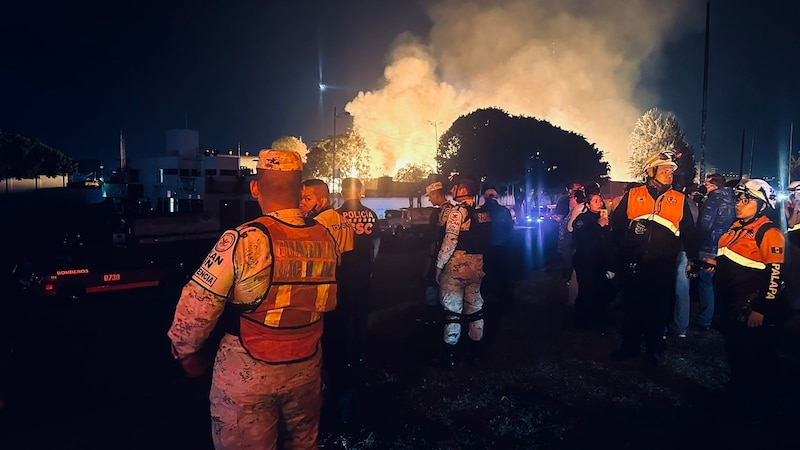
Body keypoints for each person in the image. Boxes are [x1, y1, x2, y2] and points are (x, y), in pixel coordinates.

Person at [167, 148, 339, 449]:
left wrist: (186, 350)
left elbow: (198, 303)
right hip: (306, 369)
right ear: (301, 191)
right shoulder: (326, 238)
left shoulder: (246, 239)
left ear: (255, 187)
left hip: (248, 373)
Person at [610, 151, 697, 366]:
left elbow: (689, 232)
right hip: (634, 263)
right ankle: (629, 346)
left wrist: (693, 258)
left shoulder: (679, 199)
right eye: (665, 170)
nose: (669, 174)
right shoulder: (633, 195)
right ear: (651, 172)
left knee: (658, 309)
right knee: (632, 307)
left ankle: (654, 350)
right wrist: (619, 251)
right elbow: (617, 227)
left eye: (671, 171)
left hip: (663, 265)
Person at [713, 179, 786, 421]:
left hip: (751, 311)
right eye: (738, 199)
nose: (739, 204)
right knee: (736, 356)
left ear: (762, 206)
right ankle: (737, 400)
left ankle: (763, 408)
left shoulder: (768, 232)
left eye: (747, 200)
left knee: (758, 359)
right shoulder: (735, 229)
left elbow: (775, 275)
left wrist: (762, 309)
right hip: (731, 308)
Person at [299, 178, 356, 426]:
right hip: (343, 293)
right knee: (339, 352)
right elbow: (349, 259)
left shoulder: (316, 225)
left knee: (321, 353)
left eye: (307, 198)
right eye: (300, 198)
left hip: (323, 299)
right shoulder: (341, 221)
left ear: (321, 201)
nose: (301, 204)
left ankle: (323, 409)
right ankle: (344, 407)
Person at [435, 175, 492, 369]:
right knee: (475, 310)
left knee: (453, 311)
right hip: (477, 266)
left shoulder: (457, 213)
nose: (453, 189)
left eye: (456, 186)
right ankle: (476, 354)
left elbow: (449, 242)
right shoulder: (483, 213)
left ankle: (450, 356)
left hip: (456, 267)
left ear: (462, 190)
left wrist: (438, 266)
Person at [336, 177, 380, 367]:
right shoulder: (370, 214)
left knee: (342, 315)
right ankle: (360, 354)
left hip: (342, 271)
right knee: (361, 314)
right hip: (363, 268)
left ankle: (342, 355)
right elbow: (376, 242)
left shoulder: (335, 216)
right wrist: (372, 263)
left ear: (342, 192)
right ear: (360, 191)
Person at [684, 173, 735, 335]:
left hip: (708, 247)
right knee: (718, 285)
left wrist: (695, 244)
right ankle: (718, 316)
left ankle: (704, 320)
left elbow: (704, 224)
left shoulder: (713, 200)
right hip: (725, 248)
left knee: (705, 284)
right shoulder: (733, 199)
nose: (705, 187)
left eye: (707, 184)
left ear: (714, 185)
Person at [571, 192, 616, 332]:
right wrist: (599, 227)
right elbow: (582, 239)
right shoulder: (582, 220)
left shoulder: (604, 218)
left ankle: (599, 318)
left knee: (601, 291)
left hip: (600, 262)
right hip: (586, 262)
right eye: (595, 201)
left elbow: (608, 242)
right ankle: (581, 321)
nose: (599, 203)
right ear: (588, 204)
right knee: (586, 291)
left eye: (600, 200)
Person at [479, 188, 515, 308]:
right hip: (502, 247)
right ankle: (506, 300)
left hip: (485, 248)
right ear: (496, 197)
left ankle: (488, 301)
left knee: (486, 275)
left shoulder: (480, 210)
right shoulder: (504, 211)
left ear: (485, 197)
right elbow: (510, 228)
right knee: (503, 274)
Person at [422, 181, 454, 309]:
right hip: (448, 254)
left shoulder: (441, 213)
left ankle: (434, 311)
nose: (429, 199)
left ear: (436, 195)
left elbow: (437, 236)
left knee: (434, 281)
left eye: (430, 196)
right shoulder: (452, 210)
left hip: (440, 254)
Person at [785, 180, 800, 311]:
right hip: (792, 245)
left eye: (794, 191)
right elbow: (790, 224)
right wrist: (795, 208)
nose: (791, 194)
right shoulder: (786, 206)